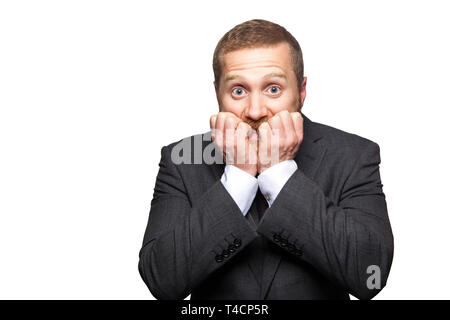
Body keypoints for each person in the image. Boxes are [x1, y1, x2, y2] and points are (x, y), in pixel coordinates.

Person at [138, 19, 394, 300]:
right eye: (239, 91)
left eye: (273, 89)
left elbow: (371, 275)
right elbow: (161, 281)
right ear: (217, 94)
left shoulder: (352, 155)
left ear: (301, 92)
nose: (256, 110)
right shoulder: (182, 160)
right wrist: (238, 176)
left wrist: (279, 173)